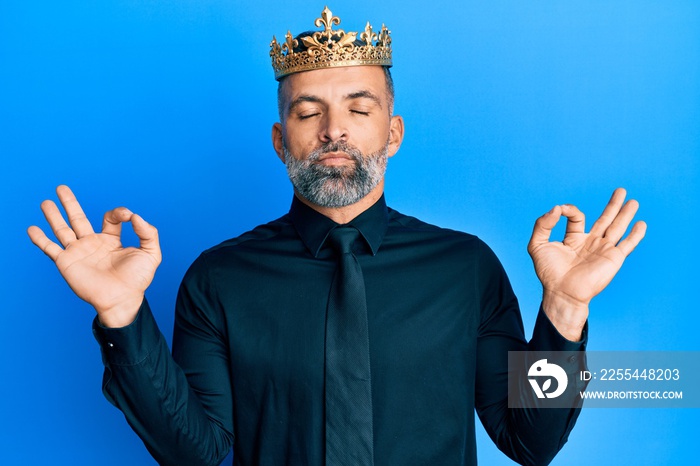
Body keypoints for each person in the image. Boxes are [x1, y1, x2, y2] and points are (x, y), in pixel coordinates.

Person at [27, 7, 646, 466]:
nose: (333, 131)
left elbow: (531, 441)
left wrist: (565, 310)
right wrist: (122, 313)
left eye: (359, 107)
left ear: (393, 132)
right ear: (280, 140)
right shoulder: (218, 280)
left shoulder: (466, 269)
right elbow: (196, 452)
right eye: (307, 112)